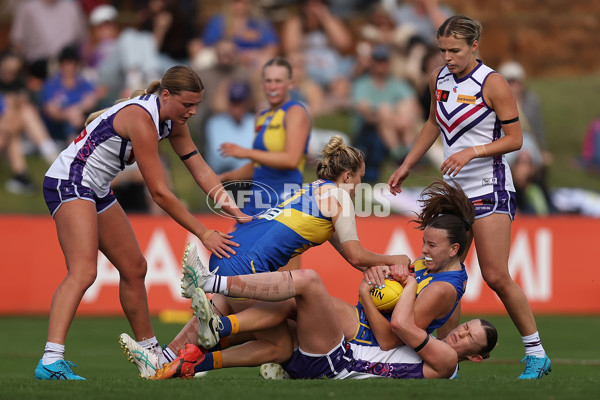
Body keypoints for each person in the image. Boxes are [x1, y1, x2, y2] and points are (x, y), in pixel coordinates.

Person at [118, 135, 410, 378]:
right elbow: (358, 255)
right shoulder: (340, 197)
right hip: (246, 266)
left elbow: (351, 256)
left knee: (264, 332)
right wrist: (395, 256)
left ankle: (163, 359)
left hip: (231, 253)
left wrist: (378, 263)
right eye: (359, 178)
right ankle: (212, 309)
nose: (358, 185)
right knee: (280, 342)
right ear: (347, 175)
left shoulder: (310, 190)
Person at [35, 65, 250, 380]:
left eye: (196, 106)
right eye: (187, 104)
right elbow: (161, 194)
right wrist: (203, 232)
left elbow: (199, 167)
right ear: (165, 95)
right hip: (69, 182)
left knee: (135, 269)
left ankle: (151, 355)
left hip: (95, 188)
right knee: (83, 271)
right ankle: (51, 361)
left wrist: (234, 210)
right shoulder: (142, 119)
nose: (191, 112)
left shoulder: (171, 119)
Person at [387, 15, 551, 379]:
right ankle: (441, 355)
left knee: (494, 276)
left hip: (489, 188)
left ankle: (536, 353)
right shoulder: (438, 78)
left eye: (455, 50)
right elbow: (433, 123)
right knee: (446, 276)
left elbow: (515, 140)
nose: (447, 57)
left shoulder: (492, 83)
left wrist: (471, 152)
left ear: (474, 46)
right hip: (456, 194)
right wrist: (407, 164)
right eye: (443, 49)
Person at [150, 266, 498, 380]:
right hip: (324, 357)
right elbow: (444, 317)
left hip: (339, 362)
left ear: (476, 357)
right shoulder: (439, 343)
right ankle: (185, 361)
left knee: (308, 282)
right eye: (466, 327)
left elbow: (400, 328)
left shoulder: (448, 361)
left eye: (469, 338)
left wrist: (389, 288)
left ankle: (216, 294)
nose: (461, 334)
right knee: (272, 328)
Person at [218, 57, 311, 222]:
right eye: (268, 81)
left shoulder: (295, 112)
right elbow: (260, 165)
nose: (272, 86)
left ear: (290, 84)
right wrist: (226, 177)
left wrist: (247, 152)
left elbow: (291, 160)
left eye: (278, 81)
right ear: (262, 84)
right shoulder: (261, 116)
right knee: (233, 246)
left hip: (284, 202)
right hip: (256, 201)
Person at [352, 44, 419, 182]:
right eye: (377, 60)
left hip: (398, 125)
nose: (380, 65)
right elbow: (364, 112)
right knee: (385, 110)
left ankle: (405, 155)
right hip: (369, 128)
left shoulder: (397, 83)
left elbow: (413, 106)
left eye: (384, 61)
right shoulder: (362, 84)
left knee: (404, 108)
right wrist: (387, 116)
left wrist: (396, 117)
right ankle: (402, 155)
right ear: (372, 63)